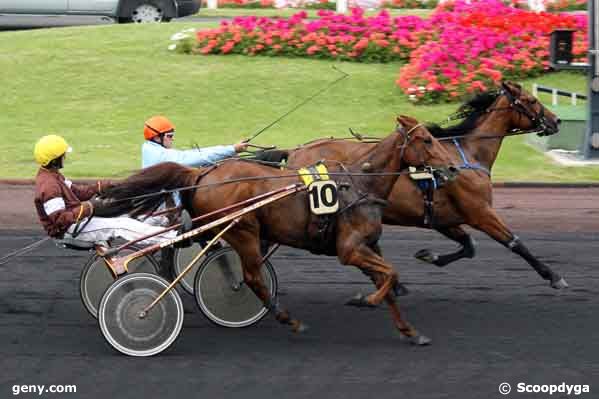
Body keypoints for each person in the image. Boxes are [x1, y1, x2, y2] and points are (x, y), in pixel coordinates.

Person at [33, 135, 177, 273]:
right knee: (120, 225)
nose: (65, 157)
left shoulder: (54, 175)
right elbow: (60, 219)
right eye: (62, 155)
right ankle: (172, 237)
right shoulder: (49, 186)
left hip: (78, 221)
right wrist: (88, 208)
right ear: (54, 159)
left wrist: (102, 187)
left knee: (126, 215)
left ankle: (163, 223)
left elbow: (78, 192)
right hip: (69, 230)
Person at [142, 115, 249, 168]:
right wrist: (232, 149)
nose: (172, 139)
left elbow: (192, 154)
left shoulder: (151, 149)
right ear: (157, 138)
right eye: (169, 136)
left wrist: (229, 149)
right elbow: (194, 158)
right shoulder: (161, 155)